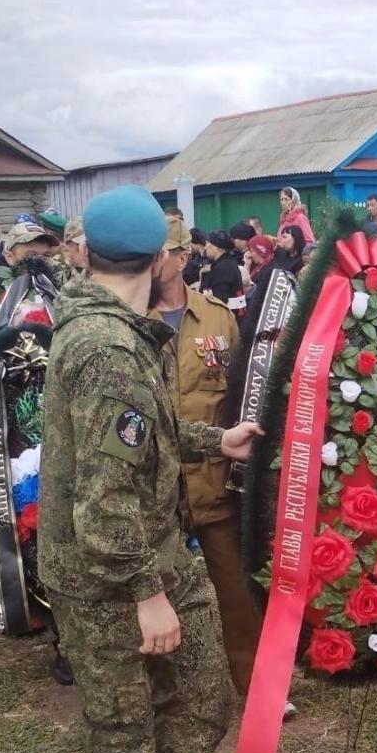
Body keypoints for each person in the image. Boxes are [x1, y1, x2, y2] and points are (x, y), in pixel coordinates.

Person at [39, 185, 261, 753]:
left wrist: (216, 441)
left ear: (87, 253)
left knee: (199, 687)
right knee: (123, 713)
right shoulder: (107, 349)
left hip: (151, 545)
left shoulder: (121, 330)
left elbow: (145, 437)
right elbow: (104, 497)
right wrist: (147, 594)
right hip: (106, 568)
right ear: (164, 258)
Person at [149, 216, 262, 695]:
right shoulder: (126, 319)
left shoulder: (217, 317)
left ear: (182, 257)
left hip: (215, 480)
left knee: (238, 591)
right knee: (157, 595)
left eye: (161, 252)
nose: (150, 262)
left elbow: (240, 394)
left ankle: (257, 686)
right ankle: (169, 693)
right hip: (155, 489)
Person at [199, 231, 246, 317]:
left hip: (227, 320)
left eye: (207, 244)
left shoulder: (223, 269)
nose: (205, 247)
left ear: (216, 247)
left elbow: (219, 301)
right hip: (235, 318)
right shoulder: (228, 263)